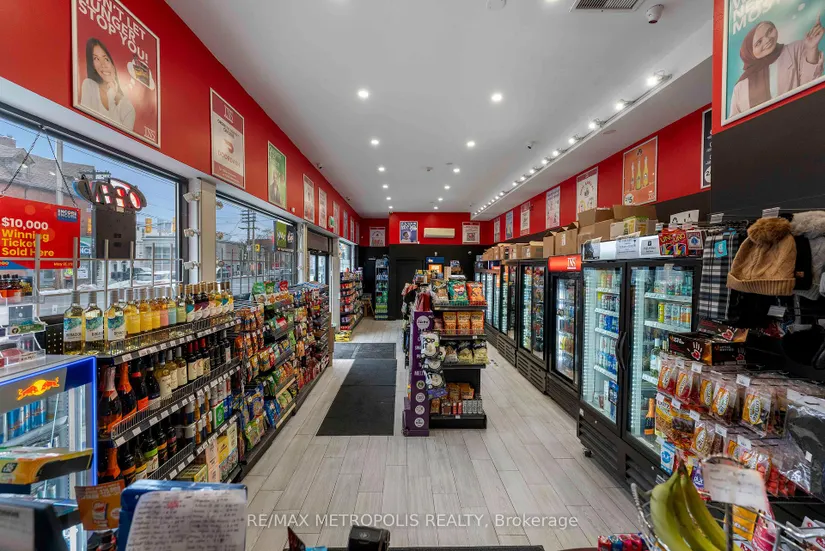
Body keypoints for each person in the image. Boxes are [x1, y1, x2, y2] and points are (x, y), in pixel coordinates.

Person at [729, 17, 825, 117]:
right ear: (750, 53)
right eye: (759, 42)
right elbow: (735, 122)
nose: (767, 40)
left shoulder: (795, 49)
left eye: (769, 31)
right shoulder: (741, 86)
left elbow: (810, 86)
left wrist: (811, 49)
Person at [79, 38, 136, 131]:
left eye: (106, 59)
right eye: (96, 58)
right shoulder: (89, 86)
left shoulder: (128, 109)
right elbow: (84, 125)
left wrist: (111, 98)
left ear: (114, 64)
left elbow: (118, 137)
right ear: (93, 65)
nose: (103, 65)